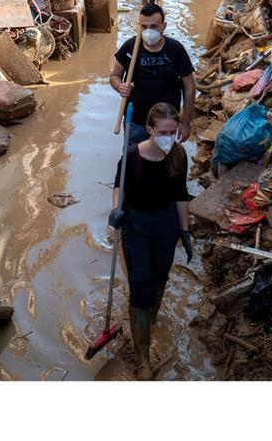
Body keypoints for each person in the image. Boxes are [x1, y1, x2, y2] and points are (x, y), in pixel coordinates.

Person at [108, 103, 193, 380]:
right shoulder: (133, 157)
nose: (169, 137)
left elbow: (181, 194)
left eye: (173, 131)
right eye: (163, 132)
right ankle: (142, 354)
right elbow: (119, 185)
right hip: (138, 226)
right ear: (150, 130)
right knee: (141, 285)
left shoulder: (178, 156)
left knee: (159, 280)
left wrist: (185, 231)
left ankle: (148, 321)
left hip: (166, 224)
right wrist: (115, 210)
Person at [110, 3, 195, 146]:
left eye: (154, 27)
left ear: (164, 26)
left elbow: (190, 87)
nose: (148, 31)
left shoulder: (175, 50)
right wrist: (120, 86)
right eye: (144, 27)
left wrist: (185, 123)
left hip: (166, 124)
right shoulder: (130, 47)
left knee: (163, 161)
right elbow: (114, 76)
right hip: (136, 120)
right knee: (133, 161)